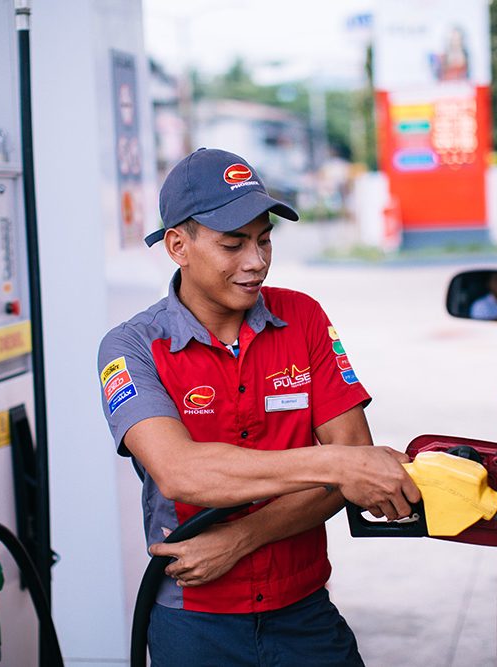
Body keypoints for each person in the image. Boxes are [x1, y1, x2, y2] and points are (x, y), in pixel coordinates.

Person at [98, 148, 420, 666]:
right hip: (194, 623)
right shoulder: (131, 347)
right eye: (233, 244)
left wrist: (242, 537)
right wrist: (335, 463)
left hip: (304, 611)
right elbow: (181, 473)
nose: (257, 261)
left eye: (264, 240)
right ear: (178, 245)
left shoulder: (304, 317)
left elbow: (354, 456)